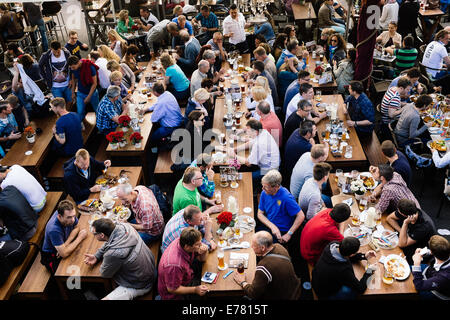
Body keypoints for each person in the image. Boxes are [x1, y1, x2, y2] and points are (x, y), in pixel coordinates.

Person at [84, 218, 156, 300]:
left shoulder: (113, 253)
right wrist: (97, 255)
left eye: (94, 233)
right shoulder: (125, 227)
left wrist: (105, 258)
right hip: (151, 270)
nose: (93, 235)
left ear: (102, 235)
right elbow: (110, 242)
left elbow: (105, 274)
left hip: (141, 284)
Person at [232, 231, 302, 300]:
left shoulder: (264, 267)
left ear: (262, 248)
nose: (251, 247)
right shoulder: (279, 246)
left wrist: (242, 282)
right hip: (294, 289)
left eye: (254, 245)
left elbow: (253, 293)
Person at [256, 170, 305, 267]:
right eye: (263, 186)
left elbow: (301, 216)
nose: (263, 189)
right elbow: (260, 214)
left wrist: (289, 234)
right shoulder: (264, 193)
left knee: (271, 257)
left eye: (266, 187)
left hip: (283, 231)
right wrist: (273, 226)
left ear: (276, 187)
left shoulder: (286, 198)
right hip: (271, 227)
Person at [312, 237, 377, 300]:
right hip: (325, 293)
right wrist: (369, 271)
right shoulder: (343, 270)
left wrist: (363, 256)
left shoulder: (332, 245)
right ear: (351, 254)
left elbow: (346, 255)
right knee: (353, 292)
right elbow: (360, 289)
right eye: (356, 252)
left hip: (316, 280)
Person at [158, 227, 209, 300]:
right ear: (187, 247)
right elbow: (172, 289)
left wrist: (205, 250)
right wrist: (195, 290)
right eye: (198, 244)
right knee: (207, 290)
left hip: (187, 273)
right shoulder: (174, 265)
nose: (201, 245)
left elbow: (202, 259)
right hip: (176, 294)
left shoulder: (182, 241)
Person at [41, 200, 87, 274]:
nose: (73, 220)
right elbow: (64, 254)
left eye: (74, 216)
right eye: (69, 217)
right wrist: (80, 238)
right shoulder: (54, 230)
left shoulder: (68, 214)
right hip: (52, 255)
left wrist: (66, 244)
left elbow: (77, 227)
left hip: (62, 244)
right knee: (70, 273)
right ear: (59, 216)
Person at [386, 199, 436, 264]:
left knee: (390, 255)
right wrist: (402, 231)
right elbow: (389, 218)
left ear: (403, 214)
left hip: (419, 251)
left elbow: (401, 244)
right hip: (408, 241)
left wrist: (405, 223)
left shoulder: (423, 226)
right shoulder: (408, 211)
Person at [412, 235, 450, 300]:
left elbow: (419, 286)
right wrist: (424, 252)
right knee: (406, 268)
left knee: (410, 292)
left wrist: (416, 265)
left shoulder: (444, 277)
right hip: (429, 272)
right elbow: (434, 253)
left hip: (436, 293)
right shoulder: (445, 252)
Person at [38, 41, 72, 107]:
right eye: (54, 52)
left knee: (70, 101)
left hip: (67, 84)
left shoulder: (66, 53)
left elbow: (71, 65)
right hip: (55, 86)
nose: (56, 54)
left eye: (58, 52)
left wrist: (71, 79)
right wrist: (45, 79)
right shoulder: (46, 56)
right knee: (60, 105)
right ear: (51, 49)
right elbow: (40, 66)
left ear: (61, 48)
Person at [67, 55, 100, 121]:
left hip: (92, 93)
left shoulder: (90, 67)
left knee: (97, 110)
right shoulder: (73, 69)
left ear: (78, 63)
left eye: (73, 67)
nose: (72, 69)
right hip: (80, 93)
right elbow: (73, 80)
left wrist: (89, 97)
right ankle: (82, 127)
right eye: (71, 67)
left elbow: (94, 83)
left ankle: (99, 126)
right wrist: (73, 92)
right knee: (80, 111)